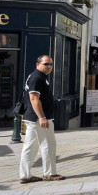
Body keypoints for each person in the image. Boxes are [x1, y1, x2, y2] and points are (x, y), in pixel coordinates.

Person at [19, 55, 65, 183]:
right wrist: (42, 117)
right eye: (46, 64)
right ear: (38, 64)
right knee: (48, 145)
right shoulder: (37, 78)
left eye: (50, 64)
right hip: (39, 118)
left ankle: (25, 175)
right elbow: (34, 99)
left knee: (30, 147)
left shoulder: (39, 77)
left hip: (33, 118)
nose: (49, 66)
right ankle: (49, 173)